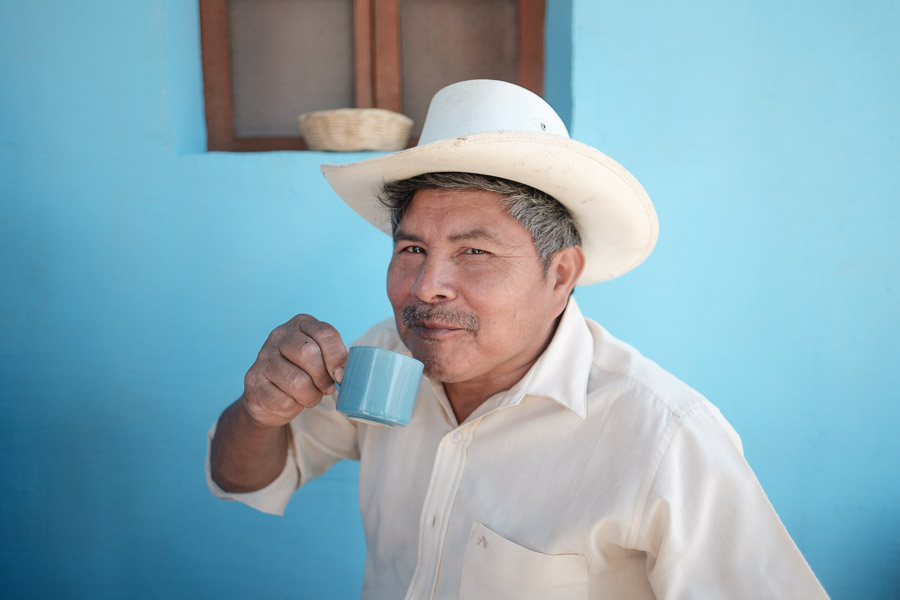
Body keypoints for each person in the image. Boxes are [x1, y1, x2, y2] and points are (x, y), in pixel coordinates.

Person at [207, 80, 828, 599]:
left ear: (560, 275)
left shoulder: (664, 435)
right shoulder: (384, 361)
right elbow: (247, 478)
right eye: (412, 249)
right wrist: (260, 412)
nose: (428, 287)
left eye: (474, 251)